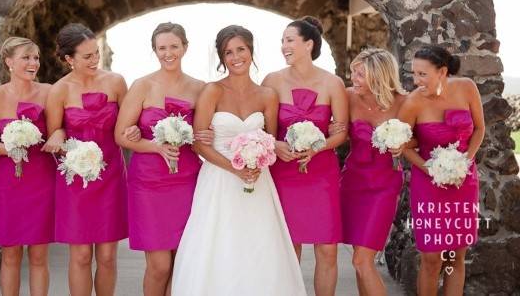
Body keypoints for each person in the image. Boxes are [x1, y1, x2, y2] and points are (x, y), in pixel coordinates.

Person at [172, 25, 307, 296]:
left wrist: (262, 158)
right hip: (220, 179)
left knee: (258, 245)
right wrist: (235, 170)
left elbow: (269, 138)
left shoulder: (267, 95)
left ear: (251, 50)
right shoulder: (213, 91)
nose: (235, 57)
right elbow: (199, 142)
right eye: (228, 52)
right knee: (220, 244)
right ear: (222, 58)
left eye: (240, 50)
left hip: (258, 180)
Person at [115, 23, 211, 296]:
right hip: (148, 183)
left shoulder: (200, 88)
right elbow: (121, 136)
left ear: (185, 47)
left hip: (188, 180)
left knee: (181, 261)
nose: (168, 53)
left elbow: (204, 135)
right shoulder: (142, 85)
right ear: (154, 51)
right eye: (162, 48)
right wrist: (155, 147)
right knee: (158, 265)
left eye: (173, 47)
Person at [262, 17, 347, 296]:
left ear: (308, 44)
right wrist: (275, 145)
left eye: (289, 40)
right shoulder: (272, 81)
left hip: (321, 174)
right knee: (289, 247)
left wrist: (317, 147)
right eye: (282, 41)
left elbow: (341, 133)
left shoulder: (332, 83)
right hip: (284, 174)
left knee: (327, 249)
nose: (283, 46)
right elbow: (264, 130)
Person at [43, 23, 129, 296]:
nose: (95, 60)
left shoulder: (116, 82)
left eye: (96, 53)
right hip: (75, 178)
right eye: (87, 56)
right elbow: (55, 129)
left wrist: (134, 129)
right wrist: (57, 136)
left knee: (106, 256)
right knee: (80, 255)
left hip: (111, 175)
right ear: (69, 59)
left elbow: (127, 125)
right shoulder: (58, 90)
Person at [397, 45, 484, 296]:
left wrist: (465, 161)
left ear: (442, 71)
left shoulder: (467, 87)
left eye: (423, 74)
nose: (416, 80)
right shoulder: (413, 103)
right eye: (414, 74)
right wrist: (430, 169)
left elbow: (479, 129)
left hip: (464, 182)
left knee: (456, 256)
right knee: (432, 257)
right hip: (428, 185)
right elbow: (402, 144)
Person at [0, 37, 55, 296]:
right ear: (9, 62)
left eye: (35, 58)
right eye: (26, 58)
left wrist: (58, 135)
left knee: (39, 253)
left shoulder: (48, 92)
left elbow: (59, 130)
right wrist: (4, 148)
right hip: (8, 181)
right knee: (10, 254)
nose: (33, 63)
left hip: (41, 178)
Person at [339, 48, 407, 296]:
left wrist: (404, 145)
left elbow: (419, 138)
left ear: (378, 76)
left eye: (359, 74)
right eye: (353, 73)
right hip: (352, 184)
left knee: (361, 260)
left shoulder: (403, 102)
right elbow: (335, 129)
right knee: (359, 261)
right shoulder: (347, 96)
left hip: (384, 187)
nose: (353, 79)